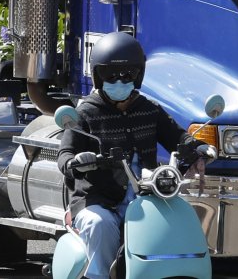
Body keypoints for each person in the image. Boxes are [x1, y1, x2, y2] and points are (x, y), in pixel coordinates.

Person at [56, 32, 214, 279]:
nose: (119, 81)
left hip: (148, 198)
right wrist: (77, 162)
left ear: (138, 76)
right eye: (111, 75)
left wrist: (197, 148)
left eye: (128, 75)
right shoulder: (86, 112)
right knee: (100, 225)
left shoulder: (149, 108)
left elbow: (176, 135)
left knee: (178, 217)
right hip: (98, 200)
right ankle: (97, 276)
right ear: (99, 76)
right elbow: (64, 155)